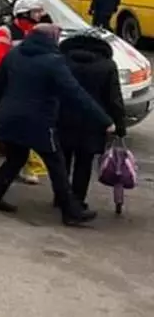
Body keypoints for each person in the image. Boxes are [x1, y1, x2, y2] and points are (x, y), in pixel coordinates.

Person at [0, 24, 115, 227]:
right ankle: (70, 211)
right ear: (51, 38)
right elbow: (75, 93)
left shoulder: (15, 54)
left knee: (15, 159)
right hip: (39, 123)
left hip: (10, 118)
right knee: (57, 165)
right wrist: (104, 120)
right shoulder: (54, 62)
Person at [58, 33, 127, 212]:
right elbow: (114, 99)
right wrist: (120, 125)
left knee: (62, 159)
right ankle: (78, 199)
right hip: (93, 122)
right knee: (84, 162)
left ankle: (61, 197)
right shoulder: (107, 66)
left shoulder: (62, 61)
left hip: (63, 118)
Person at [0, 0, 48, 185]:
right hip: (10, 89)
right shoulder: (5, 32)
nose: (41, 15)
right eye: (37, 11)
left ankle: (23, 166)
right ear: (25, 13)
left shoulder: (36, 33)